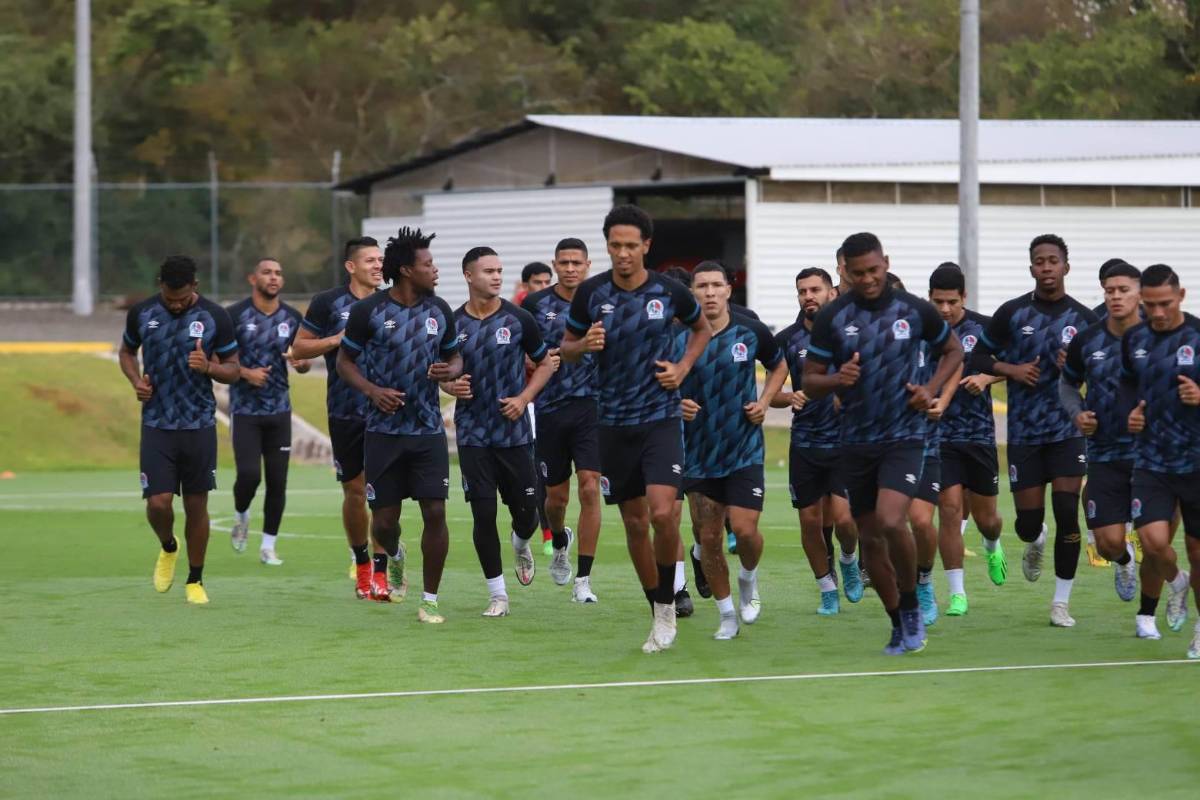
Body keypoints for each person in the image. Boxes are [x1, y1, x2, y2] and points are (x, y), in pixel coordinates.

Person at [561, 204, 713, 653]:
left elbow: (701, 329)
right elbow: (566, 349)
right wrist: (583, 344)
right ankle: (659, 608)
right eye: (615, 246)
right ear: (607, 246)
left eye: (631, 246)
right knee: (633, 523)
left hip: (660, 417)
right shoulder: (590, 293)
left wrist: (683, 367)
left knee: (664, 513)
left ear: (647, 246)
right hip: (610, 422)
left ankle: (669, 600)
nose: (623, 254)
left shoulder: (669, 292)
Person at [803, 232, 963, 655]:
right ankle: (897, 621)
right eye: (858, 274)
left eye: (875, 270)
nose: (869, 279)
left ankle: (912, 605)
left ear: (885, 262)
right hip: (855, 441)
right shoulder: (833, 317)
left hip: (904, 436)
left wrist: (930, 389)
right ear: (846, 272)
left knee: (894, 521)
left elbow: (953, 351)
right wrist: (838, 380)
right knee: (869, 536)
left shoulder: (913, 309)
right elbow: (810, 380)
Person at [337, 227, 464, 624]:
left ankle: (430, 600)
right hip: (383, 433)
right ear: (408, 270)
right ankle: (395, 555)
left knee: (435, 514)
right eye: (428, 264)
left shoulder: (439, 309)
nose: (436, 270)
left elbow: (455, 358)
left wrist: (450, 370)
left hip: (427, 431)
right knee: (386, 523)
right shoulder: (368, 312)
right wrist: (373, 391)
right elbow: (344, 363)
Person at [971, 234, 1098, 627]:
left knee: (1067, 511)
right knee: (1027, 525)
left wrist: (1076, 367)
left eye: (1053, 261)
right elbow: (977, 354)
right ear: (1031, 269)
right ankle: (1035, 540)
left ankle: (1060, 602)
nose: (1046, 267)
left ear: (1066, 267)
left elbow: (1104, 366)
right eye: (1039, 262)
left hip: (1066, 429)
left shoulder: (1084, 319)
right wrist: (1011, 370)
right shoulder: (1011, 313)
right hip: (1025, 432)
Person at [119, 255, 241, 605]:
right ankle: (168, 546)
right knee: (158, 503)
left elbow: (234, 370)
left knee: (196, 505)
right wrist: (134, 381)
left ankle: (195, 579)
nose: (176, 304)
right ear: (160, 286)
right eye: (170, 298)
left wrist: (209, 367)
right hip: (157, 422)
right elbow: (126, 353)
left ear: (195, 288)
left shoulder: (216, 316)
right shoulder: (142, 313)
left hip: (199, 423)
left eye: (183, 299)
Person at [676, 262, 788, 639]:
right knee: (708, 538)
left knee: (745, 530)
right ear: (692, 292)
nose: (709, 292)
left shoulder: (750, 330)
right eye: (701, 286)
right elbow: (655, 381)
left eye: (715, 285)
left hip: (743, 449)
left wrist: (765, 401)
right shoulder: (679, 336)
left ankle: (748, 579)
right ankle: (726, 615)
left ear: (728, 290)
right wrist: (676, 401)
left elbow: (779, 364)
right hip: (698, 454)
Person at [442, 247, 555, 616]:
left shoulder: (519, 318)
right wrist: (450, 388)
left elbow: (546, 364)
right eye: (488, 270)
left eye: (499, 270)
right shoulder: (452, 323)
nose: (496, 276)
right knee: (483, 514)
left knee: (528, 514)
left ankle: (521, 543)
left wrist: (524, 398)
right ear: (468, 275)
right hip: (473, 434)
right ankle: (498, 594)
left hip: (515, 434)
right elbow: (440, 371)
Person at [294, 237, 395, 601]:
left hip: (387, 410)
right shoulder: (327, 303)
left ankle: (382, 572)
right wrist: (335, 339)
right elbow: (299, 348)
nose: (378, 265)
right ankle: (362, 563)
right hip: (344, 410)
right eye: (370, 260)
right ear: (351, 266)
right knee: (355, 491)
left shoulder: (393, 301)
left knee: (383, 494)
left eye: (381, 259)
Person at [772, 267, 863, 616]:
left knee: (844, 520)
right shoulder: (788, 340)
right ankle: (827, 588)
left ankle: (849, 559)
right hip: (806, 444)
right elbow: (771, 393)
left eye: (815, 289)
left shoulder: (849, 334)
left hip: (844, 442)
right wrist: (788, 397)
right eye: (802, 291)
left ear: (830, 292)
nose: (808, 296)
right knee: (810, 521)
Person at [1120, 263, 1200, 655]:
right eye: (1149, 305)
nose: (1157, 313)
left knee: (1199, 550)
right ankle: (1176, 581)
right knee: (1153, 543)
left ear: (1181, 296)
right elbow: (1125, 387)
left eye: (1164, 303)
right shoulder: (1133, 338)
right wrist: (1129, 415)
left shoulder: (1199, 336)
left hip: (1197, 461)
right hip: (1151, 460)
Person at [523, 238, 604, 603]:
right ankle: (559, 539)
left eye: (577, 262)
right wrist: (535, 365)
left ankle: (583, 580)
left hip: (592, 408)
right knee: (555, 499)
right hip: (551, 408)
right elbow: (521, 353)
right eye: (564, 262)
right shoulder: (537, 305)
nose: (571, 268)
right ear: (554, 265)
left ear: (588, 265)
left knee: (589, 486)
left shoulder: (604, 301)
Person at [1060, 261, 1142, 609]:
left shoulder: (1160, 338)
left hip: (1151, 455)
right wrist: (1078, 413)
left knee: (1155, 540)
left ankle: (1150, 614)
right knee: (1109, 544)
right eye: (1110, 291)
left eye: (1123, 290)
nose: (1116, 297)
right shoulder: (1088, 339)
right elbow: (1066, 384)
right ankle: (1125, 562)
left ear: (1139, 294)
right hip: (1104, 454)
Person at [928, 264, 1007, 617]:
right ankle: (957, 593)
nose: (944, 309)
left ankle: (992, 545)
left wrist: (986, 379)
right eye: (938, 302)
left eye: (951, 302)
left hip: (978, 435)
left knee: (988, 517)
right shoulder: (923, 330)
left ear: (964, 297)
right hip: (940, 436)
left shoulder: (984, 327)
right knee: (948, 510)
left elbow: (1005, 365)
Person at [226, 258, 309, 566]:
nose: (274, 277)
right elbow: (218, 362)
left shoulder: (292, 316)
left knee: (277, 481)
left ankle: (268, 546)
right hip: (245, 410)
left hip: (279, 411)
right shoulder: (233, 315)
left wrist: (302, 364)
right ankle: (241, 513)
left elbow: (303, 360)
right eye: (267, 272)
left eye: (278, 272)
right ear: (253, 278)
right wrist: (246, 373)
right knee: (248, 476)